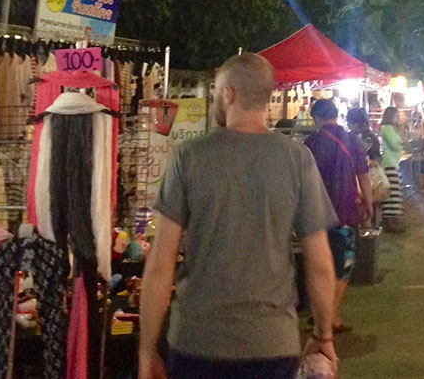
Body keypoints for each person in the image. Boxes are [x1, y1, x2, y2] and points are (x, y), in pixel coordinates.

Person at [139, 53, 338, 379]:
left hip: (196, 342)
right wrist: (323, 334)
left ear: (229, 93)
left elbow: (161, 263)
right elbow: (320, 263)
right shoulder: (297, 159)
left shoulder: (188, 157)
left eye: (217, 91)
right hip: (272, 344)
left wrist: (147, 351)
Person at [305, 100, 374, 334]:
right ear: (335, 115)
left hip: (314, 216)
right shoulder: (351, 140)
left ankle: (320, 315)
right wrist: (369, 203)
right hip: (344, 213)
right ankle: (331, 317)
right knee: (343, 265)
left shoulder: (309, 143)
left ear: (317, 118)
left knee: (318, 266)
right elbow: (364, 176)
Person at [379, 107, 405, 219]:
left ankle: (392, 217)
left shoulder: (389, 129)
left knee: (395, 190)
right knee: (393, 192)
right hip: (390, 163)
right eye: (396, 116)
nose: (398, 119)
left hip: (393, 162)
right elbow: (395, 144)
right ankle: (390, 218)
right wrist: (401, 143)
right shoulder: (387, 128)